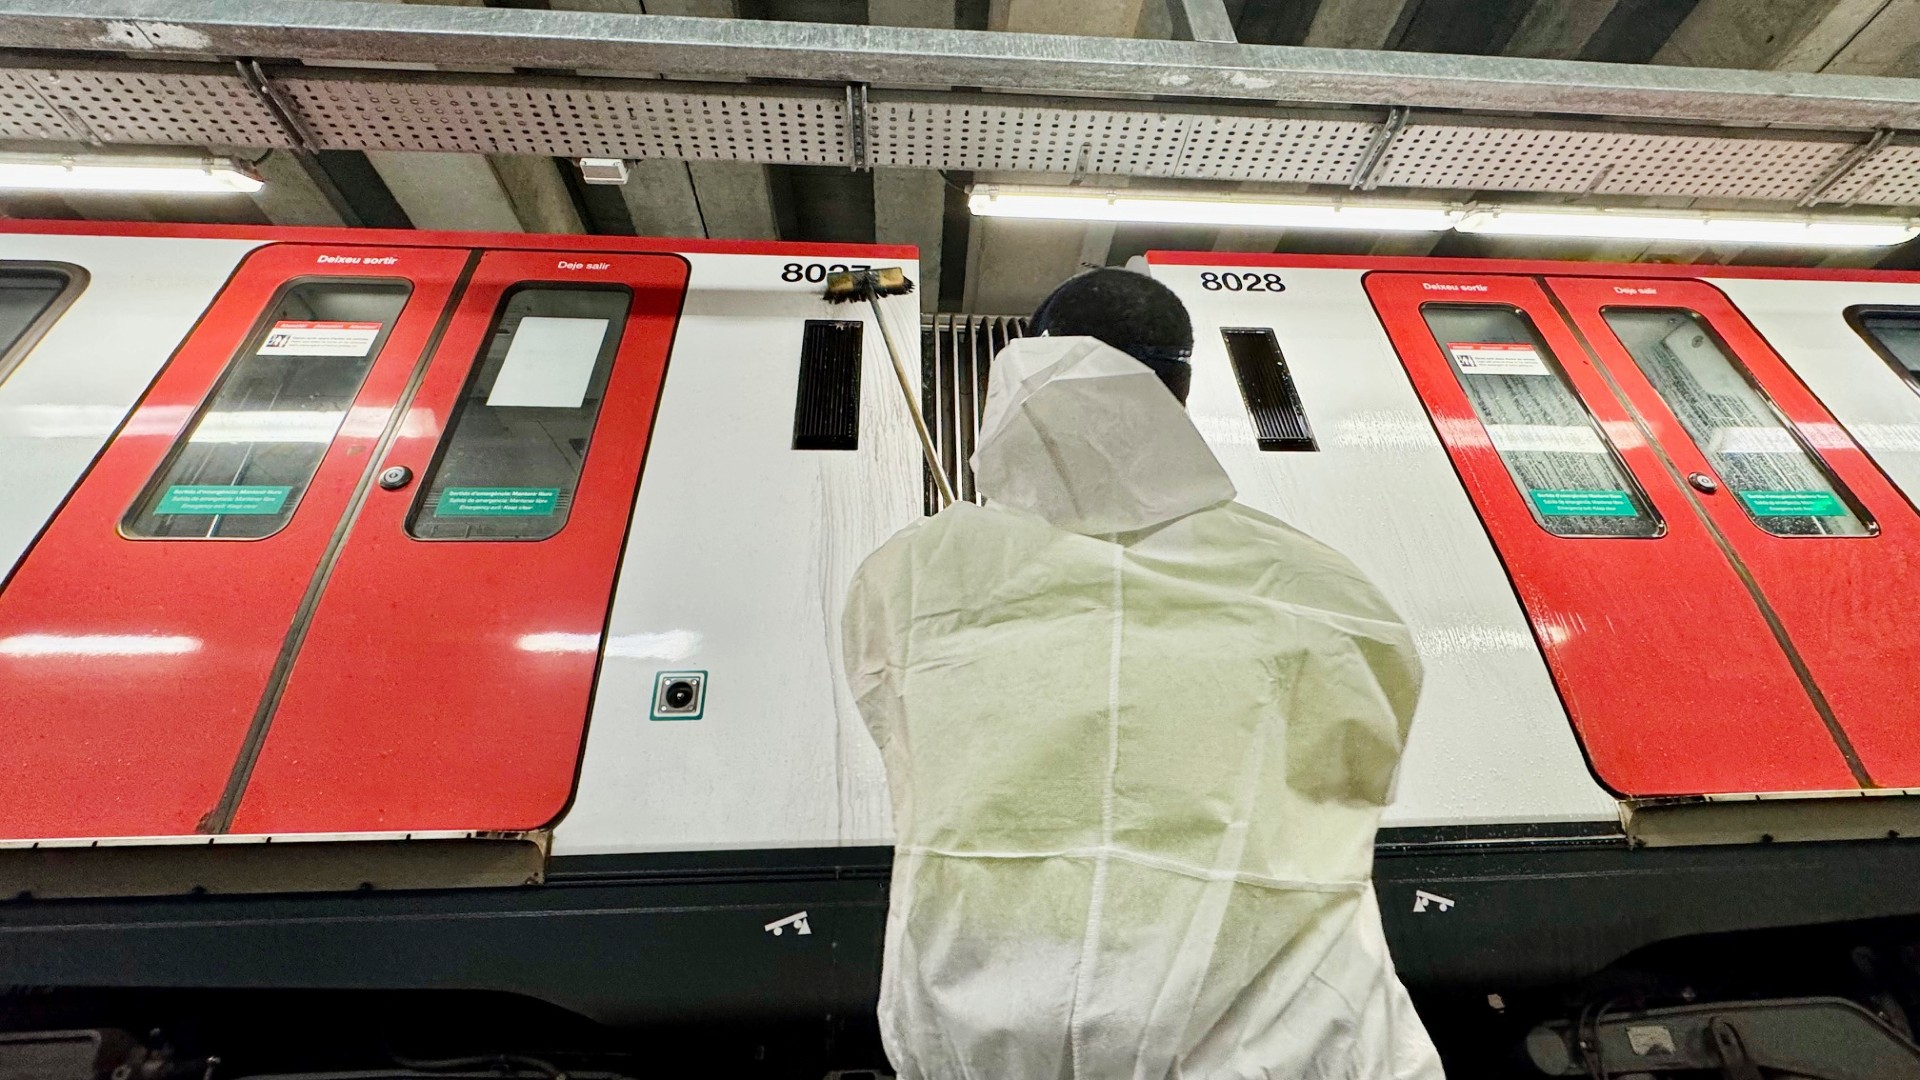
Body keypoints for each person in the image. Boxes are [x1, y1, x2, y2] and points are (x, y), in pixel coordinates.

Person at [842, 268, 1443, 1079]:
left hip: (978, 1035)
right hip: (1273, 1039)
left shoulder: (906, 576)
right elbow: (1362, 769)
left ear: (1019, 374)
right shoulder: (1321, 587)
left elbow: (897, 734)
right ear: (1182, 392)